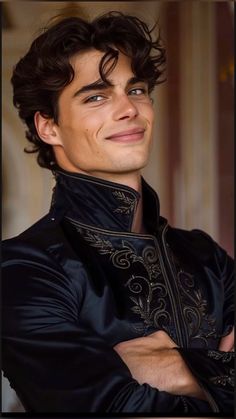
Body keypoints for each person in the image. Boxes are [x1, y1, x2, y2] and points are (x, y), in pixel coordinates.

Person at [2, 11, 234, 414]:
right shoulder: (24, 268)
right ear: (49, 127)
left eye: (138, 90)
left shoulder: (206, 256)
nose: (129, 109)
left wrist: (169, 368)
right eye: (96, 96)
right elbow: (104, 407)